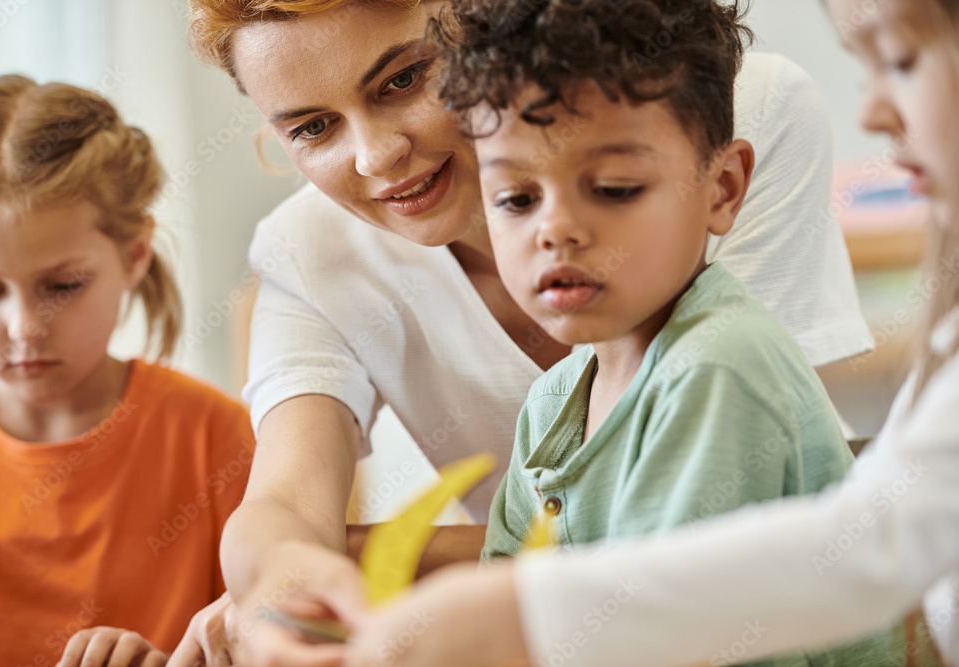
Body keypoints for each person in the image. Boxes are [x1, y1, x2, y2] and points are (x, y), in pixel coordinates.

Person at [184, 0, 872, 663]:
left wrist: (373, 558)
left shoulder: (716, 112)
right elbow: (285, 502)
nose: (377, 155)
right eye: (311, 127)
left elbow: (705, 554)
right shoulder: (548, 397)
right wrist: (282, 589)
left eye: (404, 79)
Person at [340, 0, 959, 665]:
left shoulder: (718, 368)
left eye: (614, 188)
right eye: (517, 199)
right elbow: (507, 600)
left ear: (723, 189)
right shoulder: (552, 404)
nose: (556, 230)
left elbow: (681, 635)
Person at [0, 75, 253, 667]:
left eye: (63, 286)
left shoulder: (217, 440)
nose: (25, 327)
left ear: (134, 255)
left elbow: (269, 641)